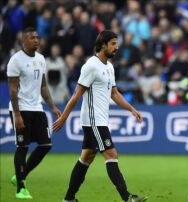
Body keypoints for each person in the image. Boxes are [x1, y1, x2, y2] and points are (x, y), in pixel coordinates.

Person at [52, 30, 147, 202]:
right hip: (93, 120)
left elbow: (115, 94)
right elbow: (76, 94)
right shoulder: (91, 66)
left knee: (86, 157)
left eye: (116, 44)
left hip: (100, 120)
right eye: (113, 44)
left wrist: (132, 109)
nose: (116, 47)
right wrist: (64, 117)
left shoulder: (109, 67)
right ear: (103, 45)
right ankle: (127, 198)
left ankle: (68, 198)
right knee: (111, 154)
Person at [7, 27, 62, 199]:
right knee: (23, 147)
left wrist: (52, 106)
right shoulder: (16, 61)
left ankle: (20, 176)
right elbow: (13, 91)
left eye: (37, 37)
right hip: (21, 108)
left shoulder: (41, 59)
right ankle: (21, 188)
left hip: (37, 108)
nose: (36, 40)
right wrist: (17, 115)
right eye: (32, 38)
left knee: (46, 145)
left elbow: (43, 85)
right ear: (24, 40)